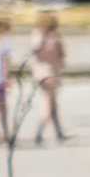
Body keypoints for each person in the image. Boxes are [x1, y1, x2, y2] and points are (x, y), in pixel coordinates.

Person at [29, 10, 68, 144]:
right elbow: (62, 55)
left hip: (39, 73)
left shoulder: (36, 35)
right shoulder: (55, 37)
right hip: (51, 73)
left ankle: (59, 131)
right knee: (49, 104)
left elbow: (33, 50)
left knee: (53, 103)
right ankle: (39, 132)